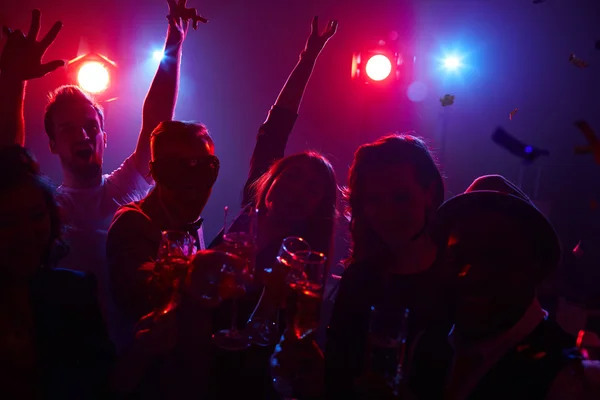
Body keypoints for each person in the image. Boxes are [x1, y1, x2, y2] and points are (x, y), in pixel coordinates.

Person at [0, 2, 200, 339]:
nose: (83, 135)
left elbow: (157, 125)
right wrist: (13, 79)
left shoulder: (124, 189)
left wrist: (174, 42)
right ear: (51, 144)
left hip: (136, 357)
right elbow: (9, 162)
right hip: (70, 361)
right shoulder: (49, 208)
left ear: (104, 139)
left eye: (91, 127)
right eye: (68, 129)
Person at [205, 17, 339, 399]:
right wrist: (309, 57)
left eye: (313, 189)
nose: (299, 189)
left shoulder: (299, 262)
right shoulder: (249, 211)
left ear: (318, 208)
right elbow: (275, 128)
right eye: (294, 176)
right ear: (272, 180)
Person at [417, 174, 600, 399]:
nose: (473, 274)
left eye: (496, 258)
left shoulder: (569, 378)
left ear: (536, 265)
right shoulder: (428, 343)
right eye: (457, 257)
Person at [106, 120, 247, 398]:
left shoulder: (187, 223)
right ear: (155, 174)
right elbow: (144, 281)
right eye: (175, 172)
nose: (190, 187)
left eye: (203, 171)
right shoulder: (133, 222)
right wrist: (191, 274)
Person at [320, 134, 451, 398]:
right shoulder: (359, 277)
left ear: (430, 193)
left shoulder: (457, 277)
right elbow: (337, 371)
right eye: (374, 200)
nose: (388, 214)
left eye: (401, 197)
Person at [0, 145, 115, 398]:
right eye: (8, 222)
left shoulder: (74, 291)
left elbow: (104, 383)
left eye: (36, 216)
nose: (26, 234)